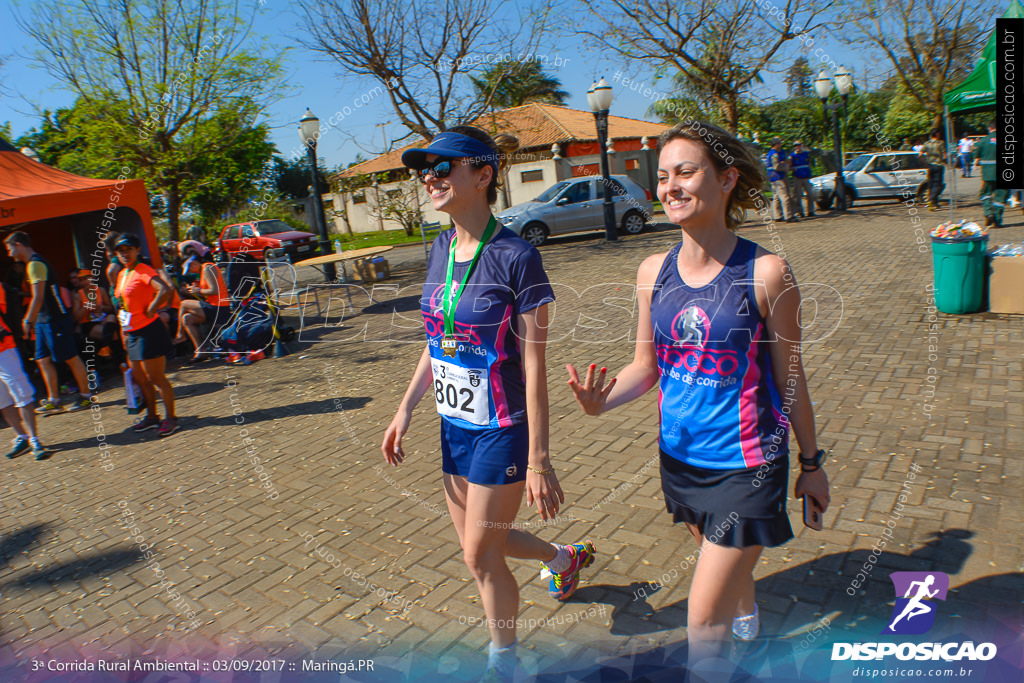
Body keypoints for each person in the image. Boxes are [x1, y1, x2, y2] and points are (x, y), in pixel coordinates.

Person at [566, 121, 830, 676]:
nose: (670, 187)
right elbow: (646, 367)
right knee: (728, 586)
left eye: (686, 172)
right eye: (663, 176)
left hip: (748, 466)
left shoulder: (767, 274)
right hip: (681, 462)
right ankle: (749, 613)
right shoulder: (650, 272)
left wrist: (812, 463)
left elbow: (792, 380)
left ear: (727, 179)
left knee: (702, 619)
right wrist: (601, 402)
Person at [381, 126, 596, 683]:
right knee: (485, 545)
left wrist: (539, 461)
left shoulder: (516, 257)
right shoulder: (439, 248)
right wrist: (405, 408)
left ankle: (506, 660)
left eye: (443, 167)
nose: (430, 178)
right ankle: (561, 557)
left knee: (480, 554)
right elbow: (439, 340)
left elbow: (534, 366)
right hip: (453, 426)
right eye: (423, 170)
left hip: (502, 428)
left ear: (482, 174)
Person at [3, 232, 94, 415]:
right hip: (43, 320)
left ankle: (86, 396)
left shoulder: (35, 264)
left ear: (19, 245)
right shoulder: (31, 264)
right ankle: (54, 400)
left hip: (55, 319)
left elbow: (38, 297)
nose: (9, 254)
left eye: (10, 249)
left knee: (70, 357)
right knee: (42, 359)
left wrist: (27, 320)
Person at [111, 233, 179, 436]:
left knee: (157, 378)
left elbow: (164, 289)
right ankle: (151, 417)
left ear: (137, 250)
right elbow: (123, 303)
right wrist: (123, 329)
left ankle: (172, 419)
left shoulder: (143, 270)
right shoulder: (123, 274)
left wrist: (152, 308)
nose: (124, 254)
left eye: (128, 250)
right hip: (131, 332)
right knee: (141, 380)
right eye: (120, 251)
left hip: (149, 331)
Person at [0, 283, 49, 460]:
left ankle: (35, 440)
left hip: (4, 350)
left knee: (21, 394)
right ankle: (22, 436)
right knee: (2, 400)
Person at [174, 240, 230, 361]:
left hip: (220, 307)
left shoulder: (207, 268)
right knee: (186, 318)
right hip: (213, 306)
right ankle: (200, 351)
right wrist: (193, 291)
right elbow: (206, 294)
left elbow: (214, 291)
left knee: (183, 304)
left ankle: (180, 334)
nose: (190, 272)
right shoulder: (202, 272)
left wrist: (198, 290)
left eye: (190, 269)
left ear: (194, 263)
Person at [974, 121, 1007, 228]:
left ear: (989, 128)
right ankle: (997, 221)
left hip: (988, 174)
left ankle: (989, 213)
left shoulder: (983, 140)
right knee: (1000, 198)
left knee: (985, 194)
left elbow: (976, 156)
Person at [765, 138, 795, 223]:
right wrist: (785, 167)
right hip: (778, 177)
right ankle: (788, 216)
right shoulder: (774, 154)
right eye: (779, 143)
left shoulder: (771, 153)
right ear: (776, 144)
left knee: (776, 197)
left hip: (772, 177)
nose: (781, 144)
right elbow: (776, 167)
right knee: (785, 196)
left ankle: (777, 216)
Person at [789, 141, 815, 219]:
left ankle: (810, 211)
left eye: (798, 145)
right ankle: (800, 212)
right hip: (797, 177)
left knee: (810, 194)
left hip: (806, 177)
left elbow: (808, 163)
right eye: (796, 146)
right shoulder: (792, 156)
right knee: (798, 195)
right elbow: (789, 166)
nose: (797, 147)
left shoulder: (805, 154)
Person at [922, 129, 946, 211]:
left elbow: (920, 154)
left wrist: (925, 163)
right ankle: (931, 200)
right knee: (937, 185)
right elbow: (944, 155)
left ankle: (935, 203)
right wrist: (945, 161)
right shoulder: (940, 143)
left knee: (931, 184)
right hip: (938, 165)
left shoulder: (926, 143)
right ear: (937, 134)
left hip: (930, 165)